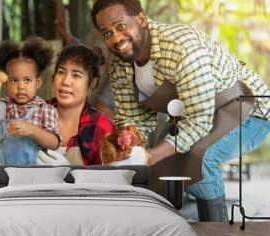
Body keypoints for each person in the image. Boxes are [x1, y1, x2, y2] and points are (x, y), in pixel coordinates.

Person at [91, 0, 270, 221]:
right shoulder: (122, 65)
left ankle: (218, 234)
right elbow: (135, 119)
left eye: (120, 26)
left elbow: (198, 119)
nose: (116, 39)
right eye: (107, 33)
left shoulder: (181, 46)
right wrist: (129, 137)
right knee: (160, 171)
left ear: (141, 19)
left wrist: (150, 155)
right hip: (196, 116)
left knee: (200, 161)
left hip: (248, 110)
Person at [0, 37, 60, 166]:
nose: (21, 86)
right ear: (6, 84)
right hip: (5, 174)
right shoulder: (2, 107)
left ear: (37, 83)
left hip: (35, 176)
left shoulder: (45, 109)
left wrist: (32, 129)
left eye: (27, 80)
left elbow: (54, 143)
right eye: (14, 80)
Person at [37, 44, 115, 166]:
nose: (66, 81)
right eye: (61, 72)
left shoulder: (102, 127)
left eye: (76, 75)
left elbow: (109, 180)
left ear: (92, 84)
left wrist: (69, 172)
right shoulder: (35, 114)